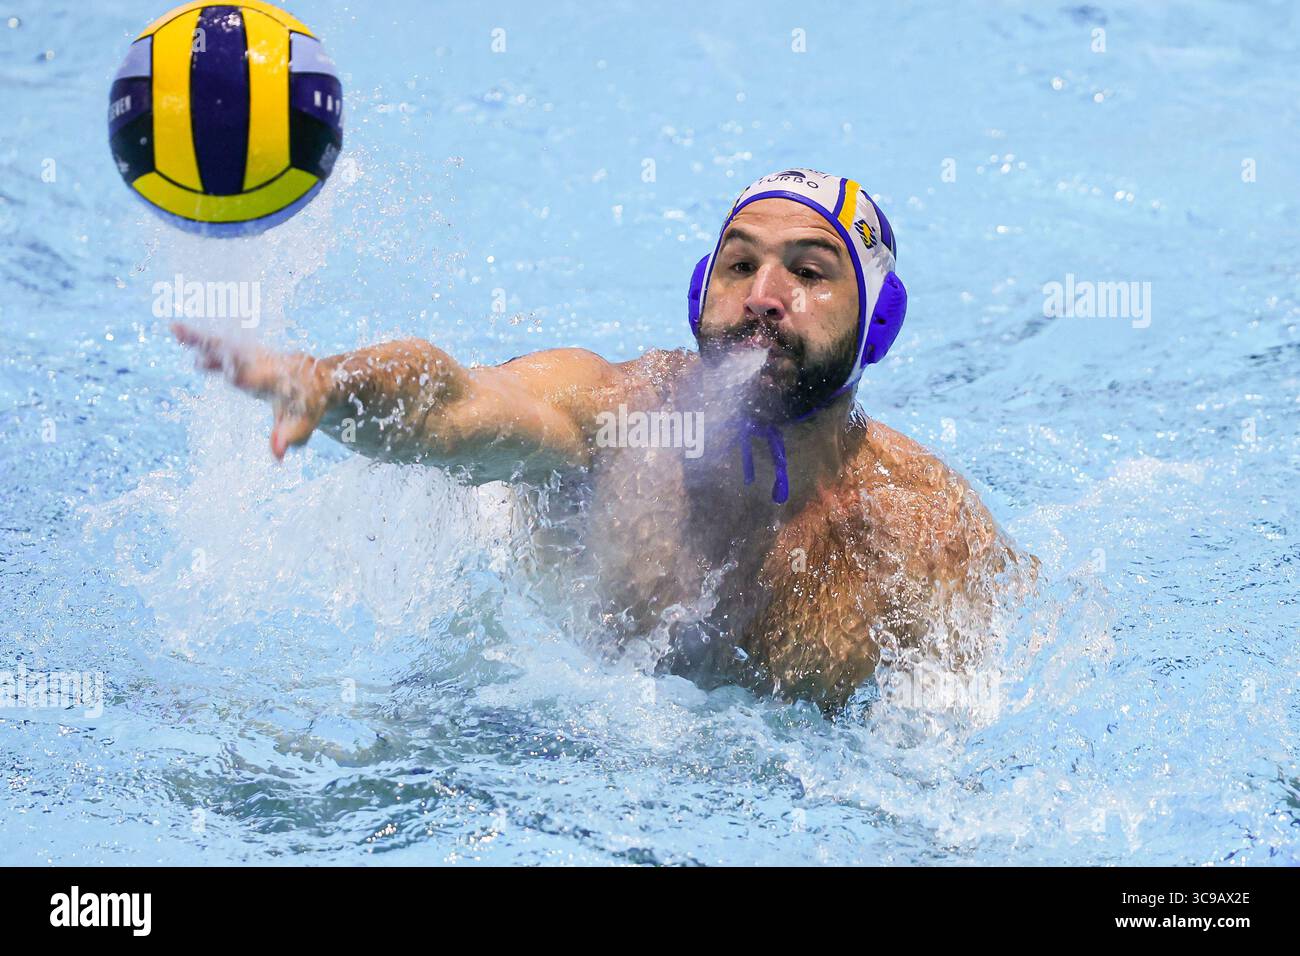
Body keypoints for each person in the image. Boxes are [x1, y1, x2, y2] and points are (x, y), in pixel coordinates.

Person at [173, 167, 1030, 710]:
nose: (765, 295)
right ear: (703, 291)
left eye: (810, 272)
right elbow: (458, 405)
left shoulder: (923, 529)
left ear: (877, 323)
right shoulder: (618, 416)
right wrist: (333, 385)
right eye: (739, 265)